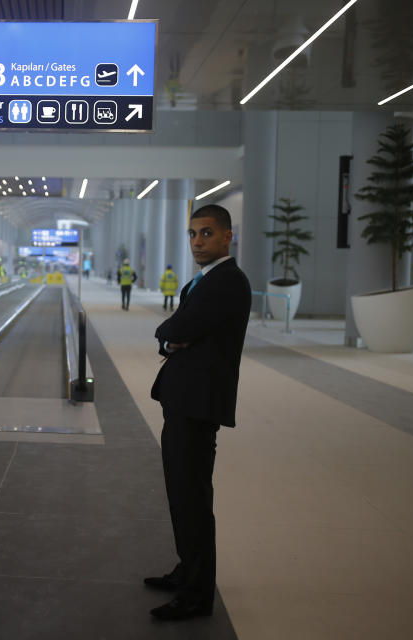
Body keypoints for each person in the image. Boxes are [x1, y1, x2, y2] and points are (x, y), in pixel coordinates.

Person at [146, 204, 251, 621]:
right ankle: (186, 570)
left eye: (206, 233)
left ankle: (195, 595)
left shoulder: (227, 281)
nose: (197, 241)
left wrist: (169, 335)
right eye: (192, 234)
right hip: (185, 400)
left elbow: (176, 328)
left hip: (198, 402)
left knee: (191, 499)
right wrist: (173, 337)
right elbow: (178, 331)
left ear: (228, 236)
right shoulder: (205, 281)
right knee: (181, 494)